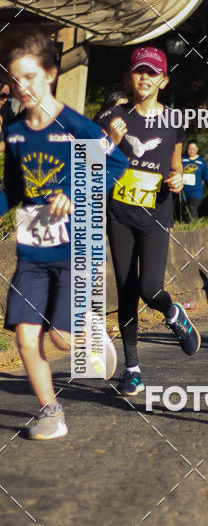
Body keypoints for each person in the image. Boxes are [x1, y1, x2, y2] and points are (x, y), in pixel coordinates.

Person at [0, 27, 128, 439]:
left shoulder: (76, 126)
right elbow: (14, 189)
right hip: (32, 254)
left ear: (52, 74)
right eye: (14, 79)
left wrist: (74, 191)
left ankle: (90, 330)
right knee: (25, 337)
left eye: (30, 77)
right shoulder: (15, 132)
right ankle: (50, 412)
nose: (22, 87)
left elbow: (116, 165)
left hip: (75, 250)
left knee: (59, 340)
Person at [98, 46, 200, 397]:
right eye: (139, 71)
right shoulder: (113, 115)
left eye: (152, 73)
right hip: (120, 215)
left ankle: (173, 315)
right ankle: (132, 368)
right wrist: (110, 141)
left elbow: (176, 165)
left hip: (156, 214)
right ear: (131, 76)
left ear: (164, 80)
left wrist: (177, 179)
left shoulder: (173, 121)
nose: (144, 77)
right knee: (126, 291)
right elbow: (91, 161)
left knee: (150, 288)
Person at [181, 140, 208, 220]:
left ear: (197, 149)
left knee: (192, 211)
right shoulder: (182, 159)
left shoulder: (201, 161)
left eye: (193, 149)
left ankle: (190, 229)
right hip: (183, 192)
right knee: (183, 212)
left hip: (196, 192)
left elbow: (206, 176)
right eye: (189, 149)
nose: (191, 151)